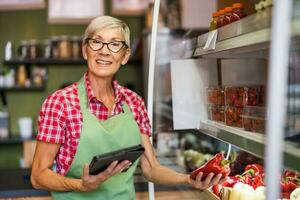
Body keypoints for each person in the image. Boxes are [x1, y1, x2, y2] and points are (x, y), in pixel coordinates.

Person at [31, 16, 225, 200]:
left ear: (125, 56)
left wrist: (187, 179)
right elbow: (38, 176)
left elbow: (151, 169)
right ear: (85, 50)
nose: (104, 51)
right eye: (96, 42)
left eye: (115, 44)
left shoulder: (134, 103)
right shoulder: (60, 103)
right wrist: (80, 185)